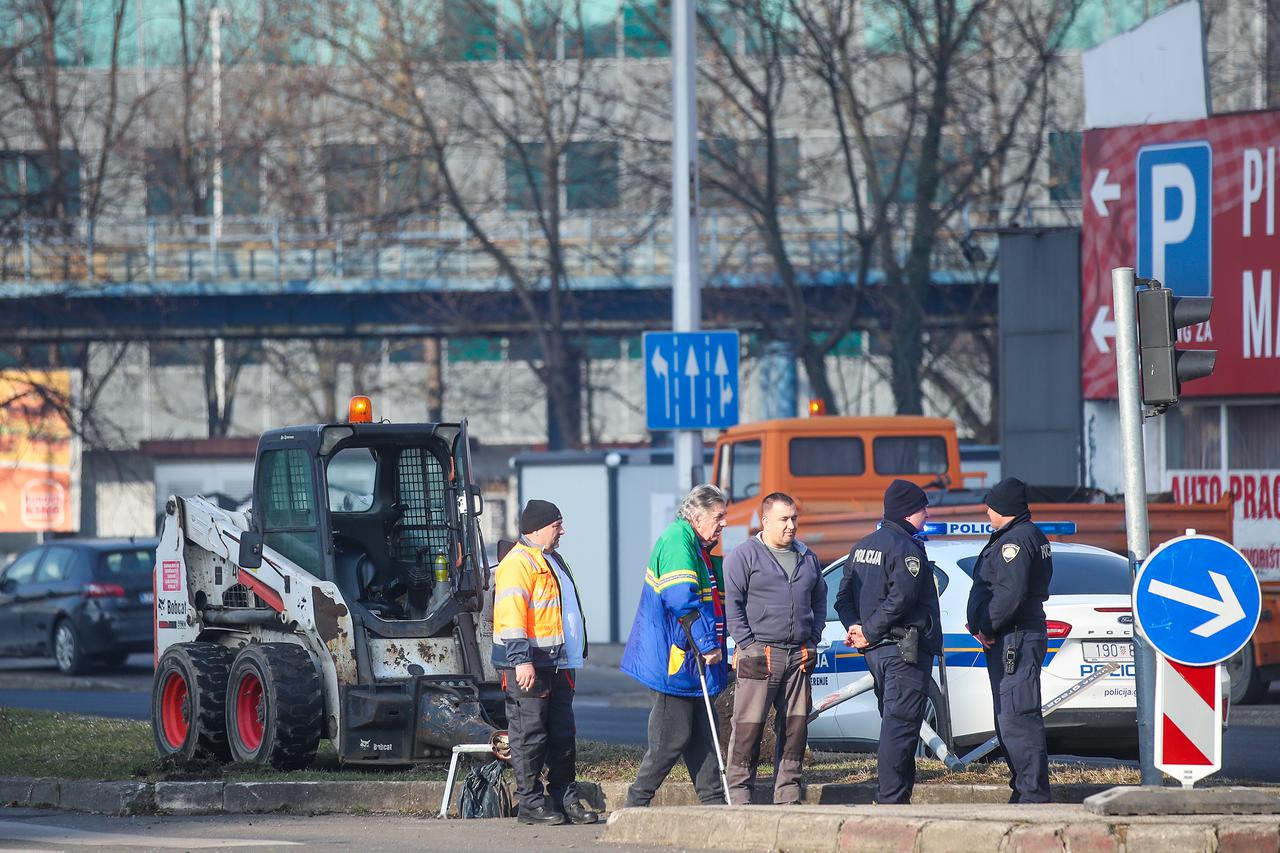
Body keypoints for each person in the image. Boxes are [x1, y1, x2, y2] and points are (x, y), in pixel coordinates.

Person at [621, 484, 731, 807]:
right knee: (671, 737)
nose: (724, 523)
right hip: (674, 659)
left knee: (702, 737)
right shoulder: (677, 540)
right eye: (719, 516)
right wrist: (708, 644)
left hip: (689, 661)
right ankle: (635, 804)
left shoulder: (698, 547)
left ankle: (713, 803)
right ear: (697, 517)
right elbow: (682, 598)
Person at [491, 499, 599, 826]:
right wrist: (521, 660)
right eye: (557, 526)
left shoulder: (552, 559)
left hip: (558, 663)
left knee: (563, 733)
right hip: (530, 666)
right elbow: (511, 617)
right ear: (537, 528)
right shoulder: (517, 563)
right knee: (530, 735)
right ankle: (531, 803)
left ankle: (565, 797)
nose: (562, 531)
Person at [834, 479, 941, 805]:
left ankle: (897, 796)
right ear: (910, 511)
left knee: (897, 723)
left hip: (878, 654)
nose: (927, 513)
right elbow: (901, 600)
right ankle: (892, 800)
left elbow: (842, 598)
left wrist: (856, 626)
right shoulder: (905, 548)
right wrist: (869, 630)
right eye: (924, 508)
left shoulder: (862, 545)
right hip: (902, 651)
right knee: (901, 727)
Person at [723, 492, 826, 805]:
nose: (791, 525)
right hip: (761, 654)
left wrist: (813, 638)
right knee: (748, 726)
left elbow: (820, 599)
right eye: (784, 519)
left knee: (795, 725)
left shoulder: (807, 557)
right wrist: (748, 645)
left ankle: (788, 792)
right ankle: (739, 792)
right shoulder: (744, 556)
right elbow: (733, 605)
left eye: (794, 518)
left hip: (799, 656)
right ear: (765, 521)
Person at [965, 477, 1054, 804]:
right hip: (1017, 637)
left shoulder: (1013, 542)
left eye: (991, 505)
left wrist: (986, 627)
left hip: (1013, 640)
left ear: (1004, 508)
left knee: (1017, 717)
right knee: (1013, 715)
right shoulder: (1026, 535)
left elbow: (1009, 595)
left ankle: (1032, 794)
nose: (987, 511)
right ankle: (1025, 789)